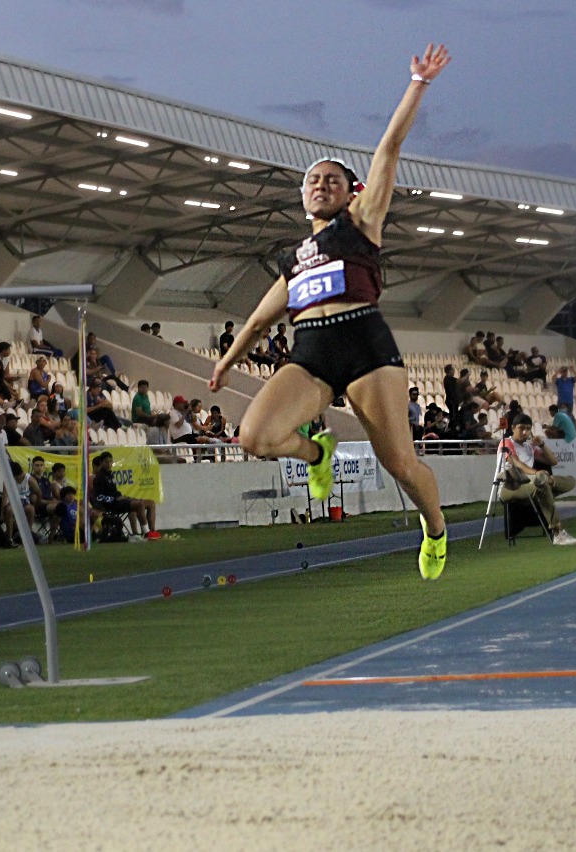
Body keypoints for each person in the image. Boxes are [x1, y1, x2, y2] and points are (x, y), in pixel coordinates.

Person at [208, 44, 451, 579]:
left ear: (349, 195)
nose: (321, 185)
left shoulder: (361, 225)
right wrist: (226, 362)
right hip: (312, 354)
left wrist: (418, 83)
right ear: (303, 197)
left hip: (366, 346)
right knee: (254, 438)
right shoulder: (293, 260)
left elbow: (388, 148)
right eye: (313, 181)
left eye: (332, 181)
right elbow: (258, 321)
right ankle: (318, 455)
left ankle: (434, 528)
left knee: (400, 465)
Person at [499, 413, 576, 545]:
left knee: (570, 481)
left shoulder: (528, 447)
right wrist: (537, 473)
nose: (525, 432)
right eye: (521, 428)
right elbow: (518, 464)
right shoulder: (506, 442)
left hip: (530, 484)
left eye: (528, 429)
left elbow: (553, 461)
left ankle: (546, 481)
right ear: (513, 428)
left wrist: (541, 444)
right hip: (510, 486)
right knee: (542, 483)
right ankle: (557, 533)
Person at [90, 451, 160, 540]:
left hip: (118, 501)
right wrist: (114, 499)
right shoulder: (99, 478)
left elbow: (113, 492)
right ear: (101, 462)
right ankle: (146, 533)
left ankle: (152, 531)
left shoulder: (110, 475)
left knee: (151, 503)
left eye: (110, 461)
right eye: (106, 462)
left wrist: (123, 497)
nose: (108, 464)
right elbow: (99, 497)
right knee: (139, 505)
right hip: (112, 505)